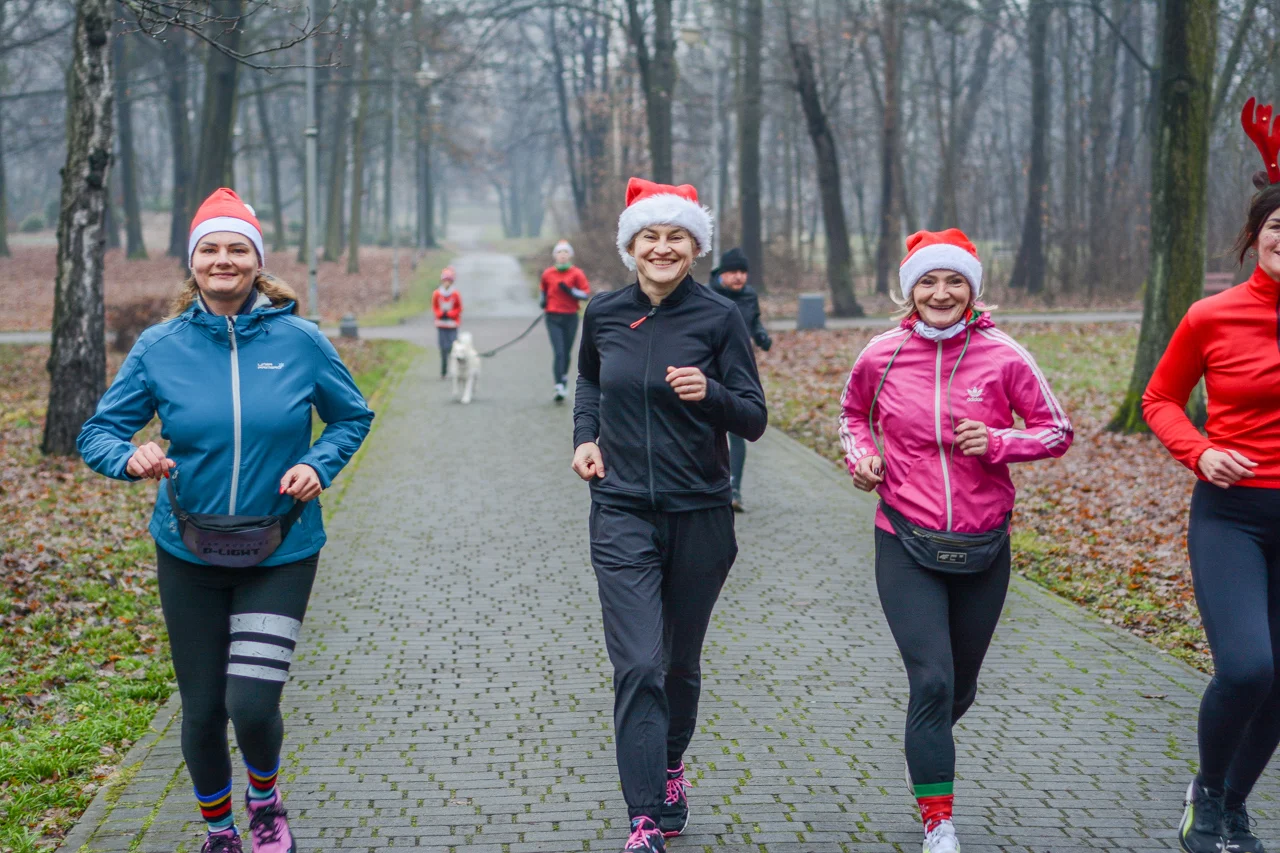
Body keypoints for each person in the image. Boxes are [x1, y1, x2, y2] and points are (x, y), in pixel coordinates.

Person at [77, 188, 375, 853]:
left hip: (282, 546)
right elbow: (97, 431)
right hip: (188, 548)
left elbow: (353, 414)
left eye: (237, 248)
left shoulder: (300, 341)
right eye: (210, 248)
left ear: (255, 261)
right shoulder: (161, 347)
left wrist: (321, 463)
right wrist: (132, 455)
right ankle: (220, 831)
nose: (223, 260)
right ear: (194, 262)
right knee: (204, 706)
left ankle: (265, 799)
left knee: (250, 702)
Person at [837, 229, 1072, 853]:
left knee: (958, 688)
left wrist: (999, 443)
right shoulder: (881, 354)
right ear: (909, 290)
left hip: (983, 544)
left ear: (972, 288)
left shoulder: (1005, 355)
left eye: (954, 281)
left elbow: (1057, 431)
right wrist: (862, 457)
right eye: (928, 281)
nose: (941, 293)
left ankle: (926, 741)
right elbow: (851, 415)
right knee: (933, 681)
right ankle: (938, 819)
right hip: (904, 536)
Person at [572, 177, 767, 853]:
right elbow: (591, 383)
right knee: (638, 665)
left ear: (694, 247)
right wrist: (585, 440)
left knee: (679, 665)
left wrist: (710, 390)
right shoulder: (601, 314)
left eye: (675, 236)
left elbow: (754, 416)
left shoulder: (721, 318)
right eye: (649, 236)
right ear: (631, 246)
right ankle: (645, 816)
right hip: (621, 509)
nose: (661, 247)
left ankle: (672, 764)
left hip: (701, 515)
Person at [1143, 102, 1280, 853]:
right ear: (1255, 238)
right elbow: (1158, 398)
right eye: (1278, 228)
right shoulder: (1211, 316)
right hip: (1232, 514)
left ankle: (1227, 804)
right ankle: (1205, 786)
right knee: (1249, 666)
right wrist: (1199, 450)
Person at [708, 247, 772, 510]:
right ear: (722, 273)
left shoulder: (748, 296)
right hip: (709, 370)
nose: (738, 277)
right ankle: (709, 485)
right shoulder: (707, 295)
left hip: (739, 371)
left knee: (737, 431)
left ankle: (734, 490)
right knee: (709, 429)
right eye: (733, 272)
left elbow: (754, 321)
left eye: (743, 272)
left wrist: (761, 335)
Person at [541, 239, 592, 402]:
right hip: (552, 317)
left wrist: (571, 291)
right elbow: (543, 290)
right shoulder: (548, 273)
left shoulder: (576, 273)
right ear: (555, 256)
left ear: (570, 255)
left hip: (570, 317)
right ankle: (558, 386)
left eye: (565, 253)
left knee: (567, 352)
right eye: (559, 252)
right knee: (559, 352)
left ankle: (563, 378)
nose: (562, 256)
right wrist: (542, 301)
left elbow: (585, 294)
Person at [433, 266, 462, 379]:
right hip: (441, 324)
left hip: (453, 324)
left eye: (449, 280)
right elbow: (435, 307)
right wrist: (441, 314)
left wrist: (450, 314)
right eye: (445, 280)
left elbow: (459, 308)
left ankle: (456, 370)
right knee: (443, 348)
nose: (447, 283)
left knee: (453, 348)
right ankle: (443, 371)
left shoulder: (455, 294)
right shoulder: (437, 294)